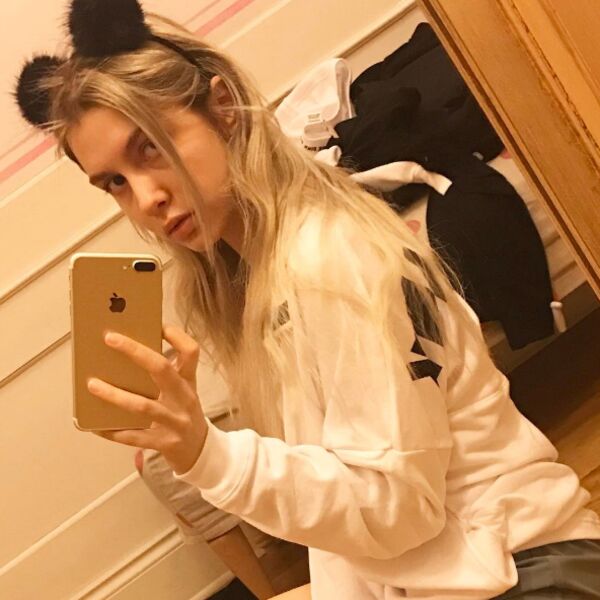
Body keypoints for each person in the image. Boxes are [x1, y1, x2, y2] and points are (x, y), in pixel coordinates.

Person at [15, 0, 600, 598]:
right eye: (115, 182)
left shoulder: (330, 262)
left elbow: (397, 510)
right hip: (445, 571)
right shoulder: (259, 275)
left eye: (151, 147)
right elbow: (357, 513)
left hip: (525, 568)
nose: (145, 198)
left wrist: (209, 455)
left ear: (223, 108)